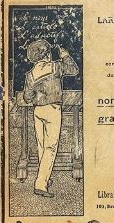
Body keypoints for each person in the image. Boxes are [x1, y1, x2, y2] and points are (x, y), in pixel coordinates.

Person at [20, 39, 77, 195]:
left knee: (42, 146)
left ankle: (44, 177)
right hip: (52, 109)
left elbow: (27, 97)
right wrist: (65, 55)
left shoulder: (30, 74)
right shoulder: (55, 67)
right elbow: (74, 69)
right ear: (46, 54)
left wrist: (38, 95)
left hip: (38, 111)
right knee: (50, 148)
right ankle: (40, 185)